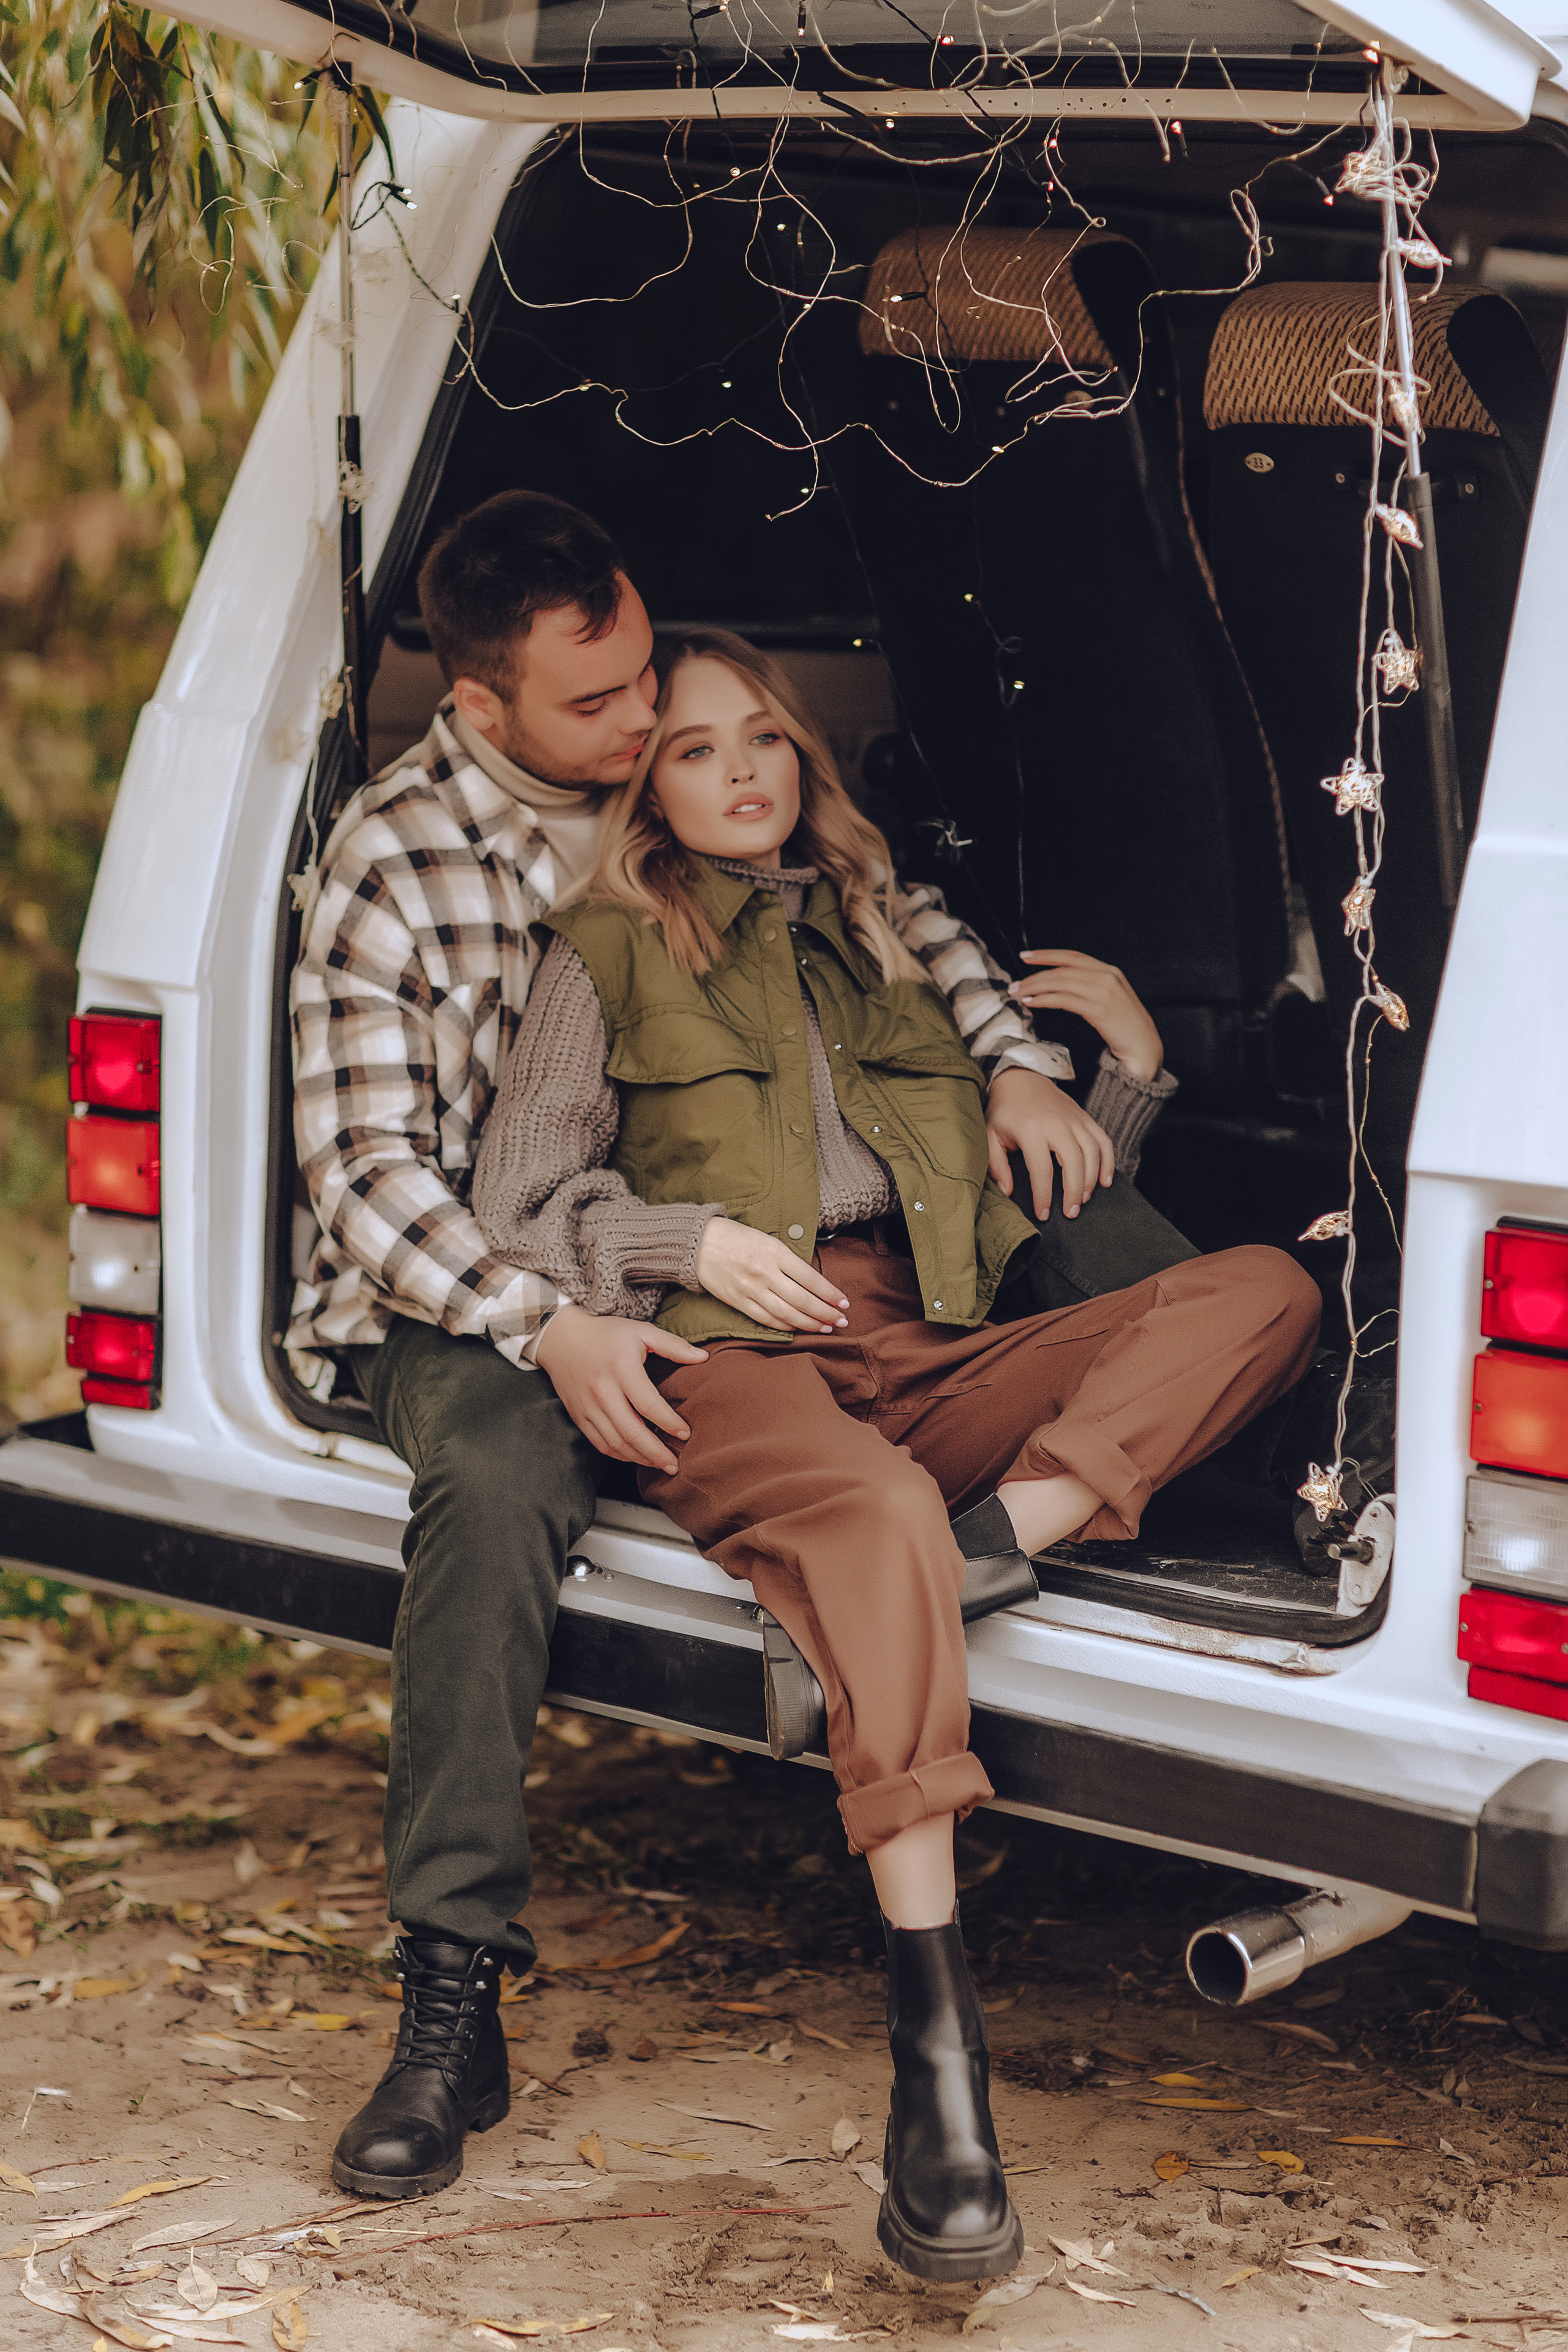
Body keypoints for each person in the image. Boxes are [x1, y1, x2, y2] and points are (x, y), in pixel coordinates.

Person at [288, 492, 1196, 2203]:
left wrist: (1026, 1061)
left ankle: (922, 1561)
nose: (642, 725)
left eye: (652, 683)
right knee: (492, 1480)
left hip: (699, 1286)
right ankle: (446, 1995)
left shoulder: (689, 805)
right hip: (469, 1295)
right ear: (479, 710)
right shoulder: (394, 866)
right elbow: (365, 1183)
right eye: (601, 706)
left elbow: (895, 954)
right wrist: (552, 1318)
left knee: (1180, 1304)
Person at [470, 630, 1322, 2281]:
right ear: (646, 780)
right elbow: (519, 1203)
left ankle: (976, 1553)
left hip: (931, 1339)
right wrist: (684, 1242)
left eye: (769, 739)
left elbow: (1040, 1204)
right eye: (702, 747)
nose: (747, 770)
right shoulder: (601, 951)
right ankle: (941, 2067)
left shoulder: (886, 935)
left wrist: (1122, 1082)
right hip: (735, 1357)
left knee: (1270, 1291)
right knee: (865, 1504)